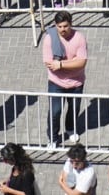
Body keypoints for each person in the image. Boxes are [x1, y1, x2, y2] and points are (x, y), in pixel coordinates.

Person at [42, 10, 88, 148]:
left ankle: (70, 128)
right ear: (56, 26)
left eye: (65, 26)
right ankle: (53, 138)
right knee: (55, 112)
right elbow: (50, 64)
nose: (63, 30)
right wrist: (72, 63)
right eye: (59, 26)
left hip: (76, 83)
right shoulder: (49, 39)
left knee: (73, 109)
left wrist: (61, 64)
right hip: (56, 83)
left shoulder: (79, 38)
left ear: (71, 24)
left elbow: (82, 62)